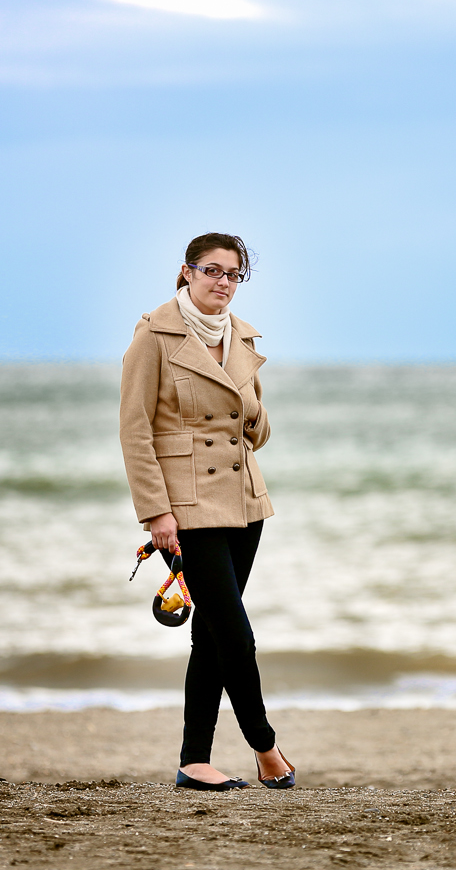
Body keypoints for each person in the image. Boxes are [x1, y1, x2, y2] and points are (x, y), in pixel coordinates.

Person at [118, 232, 294, 791]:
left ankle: (194, 760)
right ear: (187, 273)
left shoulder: (241, 338)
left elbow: (257, 428)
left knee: (214, 636)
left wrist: (252, 414)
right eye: (213, 270)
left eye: (234, 274)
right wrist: (156, 513)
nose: (224, 282)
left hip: (245, 503)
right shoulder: (155, 334)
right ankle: (266, 746)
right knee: (235, 633)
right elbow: (134, 430)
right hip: (186, 507)